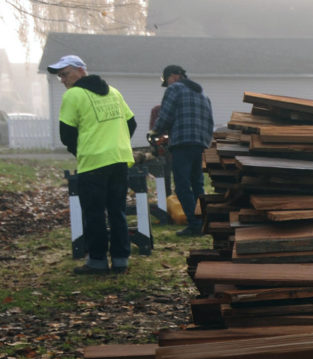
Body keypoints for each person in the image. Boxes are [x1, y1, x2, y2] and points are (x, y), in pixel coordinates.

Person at [49, 55, 137, 275]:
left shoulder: (74, 95)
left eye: (65, 74)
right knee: (117, 211)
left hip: (93, 162)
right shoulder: (114, 92)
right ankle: (120, 260)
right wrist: (117, 143)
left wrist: (81, 150)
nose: (62, 80)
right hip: (118, 159)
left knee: (94, 213)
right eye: (60, 76)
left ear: (81, 71)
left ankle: (97, 261)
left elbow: (66, 133)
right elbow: (131, 122)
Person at [152, 65, 214, 237]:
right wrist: (205, 142)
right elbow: (210, 122)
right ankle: (203, 223)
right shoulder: (202, 94)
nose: (168, 84)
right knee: (197, 185)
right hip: (200, 143)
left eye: (167, 81)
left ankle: (194, 225)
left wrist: (155, 131)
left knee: (181, 186)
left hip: (181, 143)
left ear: (173, 76)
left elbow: (165, 116)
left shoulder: (175, 89)